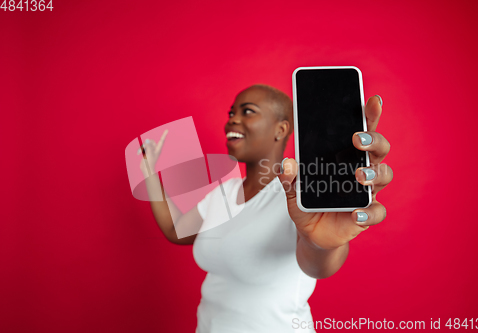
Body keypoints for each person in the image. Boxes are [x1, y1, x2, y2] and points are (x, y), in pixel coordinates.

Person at [138, 84, 393, 332]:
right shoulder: (223, 193)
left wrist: (322, 244)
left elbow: (318, 265)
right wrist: (148, 172)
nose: (232, 120)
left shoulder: (301, 195)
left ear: (281, 129)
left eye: (247, 111)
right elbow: (175, 229)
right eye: (231, 113)